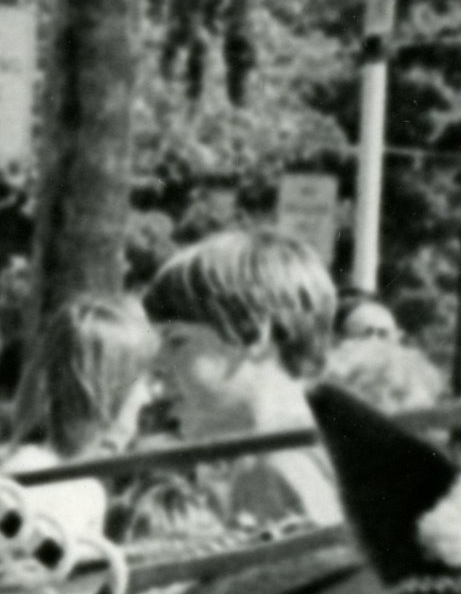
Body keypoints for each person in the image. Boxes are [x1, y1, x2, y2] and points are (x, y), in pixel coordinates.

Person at [130, 225, 343, 546]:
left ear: (256, 333)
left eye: (176, 341)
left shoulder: (271, 467)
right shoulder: (326, 447)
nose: (157, 365)